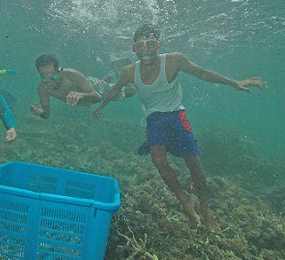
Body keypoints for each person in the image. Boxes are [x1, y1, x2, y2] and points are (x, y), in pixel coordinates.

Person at [93, 24, 267, 230]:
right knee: (158, 160)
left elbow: (202, 73)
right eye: (140, 46)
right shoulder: (129, 71)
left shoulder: (174, 60)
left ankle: (205, 206)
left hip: (177, 115)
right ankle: (185, 199)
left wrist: (235, 82)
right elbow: (115, 89)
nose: (146, 50)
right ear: (134, 50)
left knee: (193, 162)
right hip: (154, 119)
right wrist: (101, 106)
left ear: (158, 45)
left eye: (151, 44)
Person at [30, 54, 135, 119]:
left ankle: (122, 69)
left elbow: (98, 97)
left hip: (96, 88)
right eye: (44, 78)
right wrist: (40, 113)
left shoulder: (71, 75)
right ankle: (111, 75)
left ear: (60, 71)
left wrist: (81, 95)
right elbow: (46, 115)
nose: (49, 82)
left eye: (53, 77)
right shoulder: (43, 88)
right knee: (100, 85)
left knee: (132, 90)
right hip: (85, 87)